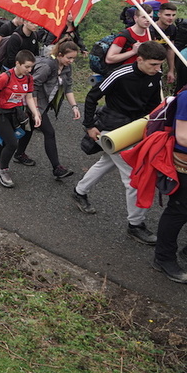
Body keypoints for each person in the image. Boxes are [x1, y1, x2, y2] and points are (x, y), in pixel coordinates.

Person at [72, 41, 165, 245]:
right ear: (139, 59)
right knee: (134, 176)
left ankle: (79, 192)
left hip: (135, 129)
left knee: (107, 163)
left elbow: (154, 106)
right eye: (153, 64)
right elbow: (92, 97)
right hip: (112, 128)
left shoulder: (156, 76)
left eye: (160, 65)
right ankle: (135, 225)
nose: (158, 69)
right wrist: (89, 126)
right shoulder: (119, 74)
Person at [0, 50, 42, 188]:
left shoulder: (28, 78)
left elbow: (29, 97)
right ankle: (3, 170)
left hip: (14, 113)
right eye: (27, 66)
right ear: (17, 63)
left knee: (3, 141)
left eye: (31, 67)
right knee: (12, 143)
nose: (29, 70)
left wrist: (36, 113)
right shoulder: (4, 77)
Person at [24, 40, 80, 179]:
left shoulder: (66, 67)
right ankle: (57, 168)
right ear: (60, 54)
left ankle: (18, 154)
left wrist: (74, 106)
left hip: (43, 103)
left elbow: (68, 87)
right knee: (49, 132)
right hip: (33, 102)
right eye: (69, 58)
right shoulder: (47, 66)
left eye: (73, 58)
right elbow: (32, 87)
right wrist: (36, 110)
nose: (71, 61)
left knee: (29, 129)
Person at [152, 91, 187, 283]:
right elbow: (182, 137)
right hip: (184, 164)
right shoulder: (186, 97)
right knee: (179, 211)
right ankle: (163, 258)